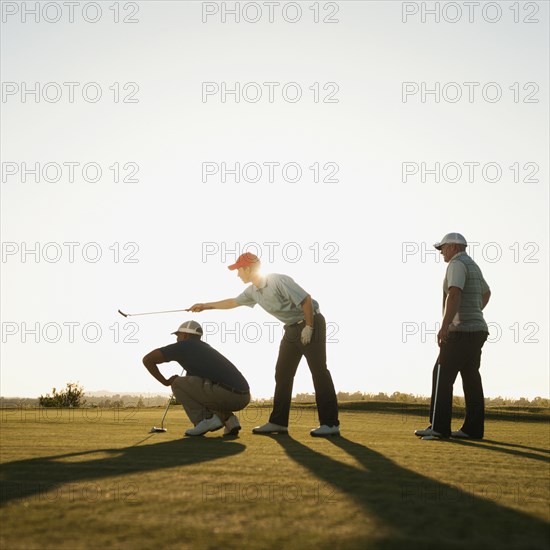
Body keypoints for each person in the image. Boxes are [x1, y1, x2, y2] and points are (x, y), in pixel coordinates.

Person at [188, 252, 340, 437]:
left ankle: (330, 424)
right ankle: (278, 422)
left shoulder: (277, 280)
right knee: (283, 373)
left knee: (318, 371)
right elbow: (232, 302)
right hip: (291, 329)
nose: (237, 274)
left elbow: (306, 299)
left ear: (248, 268)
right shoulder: (253, 291)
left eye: (238, 270)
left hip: (311, 322)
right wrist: (205, 305)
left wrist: (309, 327)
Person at [415, 233, 491, 441]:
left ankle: (439, 428)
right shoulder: (472, 264)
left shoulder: (457, 264)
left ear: (454, 247)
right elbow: (487, 293)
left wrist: (446, 325)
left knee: (441, 375)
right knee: (471, 378)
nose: (441, 252)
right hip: (477, 330)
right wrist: (474, 312)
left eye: (443, 248)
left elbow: (454, 293)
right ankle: (472, 429)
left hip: (460, 331)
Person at [142, 320, 250, 437]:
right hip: (244, 397)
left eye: (178, 335)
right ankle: (229, 420)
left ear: (185, 335)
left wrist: (166, 382)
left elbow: (148, 359)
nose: (177, 339)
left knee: (177, 383)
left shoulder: (184, 345)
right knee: (196, 391)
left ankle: (205, 419)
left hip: (227, 394)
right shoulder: (205, 348)